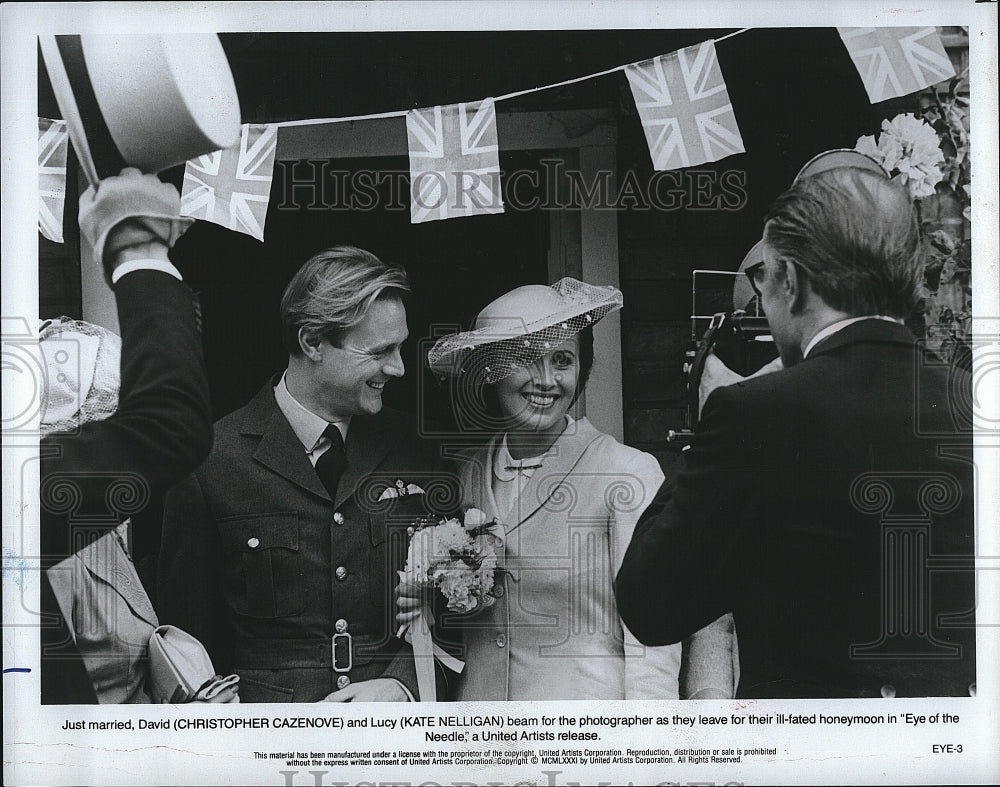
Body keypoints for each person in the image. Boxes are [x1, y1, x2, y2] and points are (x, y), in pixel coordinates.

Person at [615, 166, 976, 698]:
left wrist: (713, 413)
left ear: (794, 281)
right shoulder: (978, 405)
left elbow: (650, 604)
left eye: (765, 279)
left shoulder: (752, 416)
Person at [399, 279, 737, 701]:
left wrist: (646, 746)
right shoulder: (463, 473)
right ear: (490, 369)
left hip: (588, 742)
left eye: (562, 360)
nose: (546, 380)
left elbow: (652, 638)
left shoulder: (626, 473)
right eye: (526, 359)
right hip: (481, 741)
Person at [158, 247, 451, 702]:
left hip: (391, 736)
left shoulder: (415, 450)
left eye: (400, 348)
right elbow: (186, 641)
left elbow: (459, 607)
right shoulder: (210, 462)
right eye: (380, 352)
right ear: (312, 341)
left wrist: (401, 686)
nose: (398, 368)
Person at [40, 168, 213, 704]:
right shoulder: (49, 510)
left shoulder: (96, 522)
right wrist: (135, 246)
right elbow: (167, 425)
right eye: (104, 420)